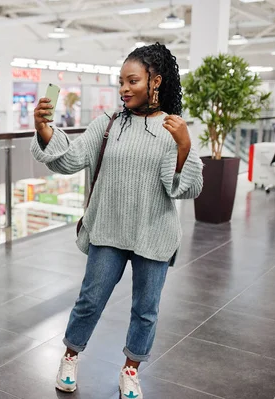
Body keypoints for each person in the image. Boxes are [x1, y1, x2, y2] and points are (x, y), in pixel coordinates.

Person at [31, 43, 203, 398]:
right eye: (121, 81)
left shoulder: (174, 130)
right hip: (108, 229)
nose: (124, 88)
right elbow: (70, 158)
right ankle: (69, 358)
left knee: (145, 310)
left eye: (133, 80)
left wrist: (184, 146)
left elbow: (189, 187)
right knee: (89, 301)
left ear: (156, 81)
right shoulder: (108, 124)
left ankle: (130, 370)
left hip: (154, 233)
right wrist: (43, 128)